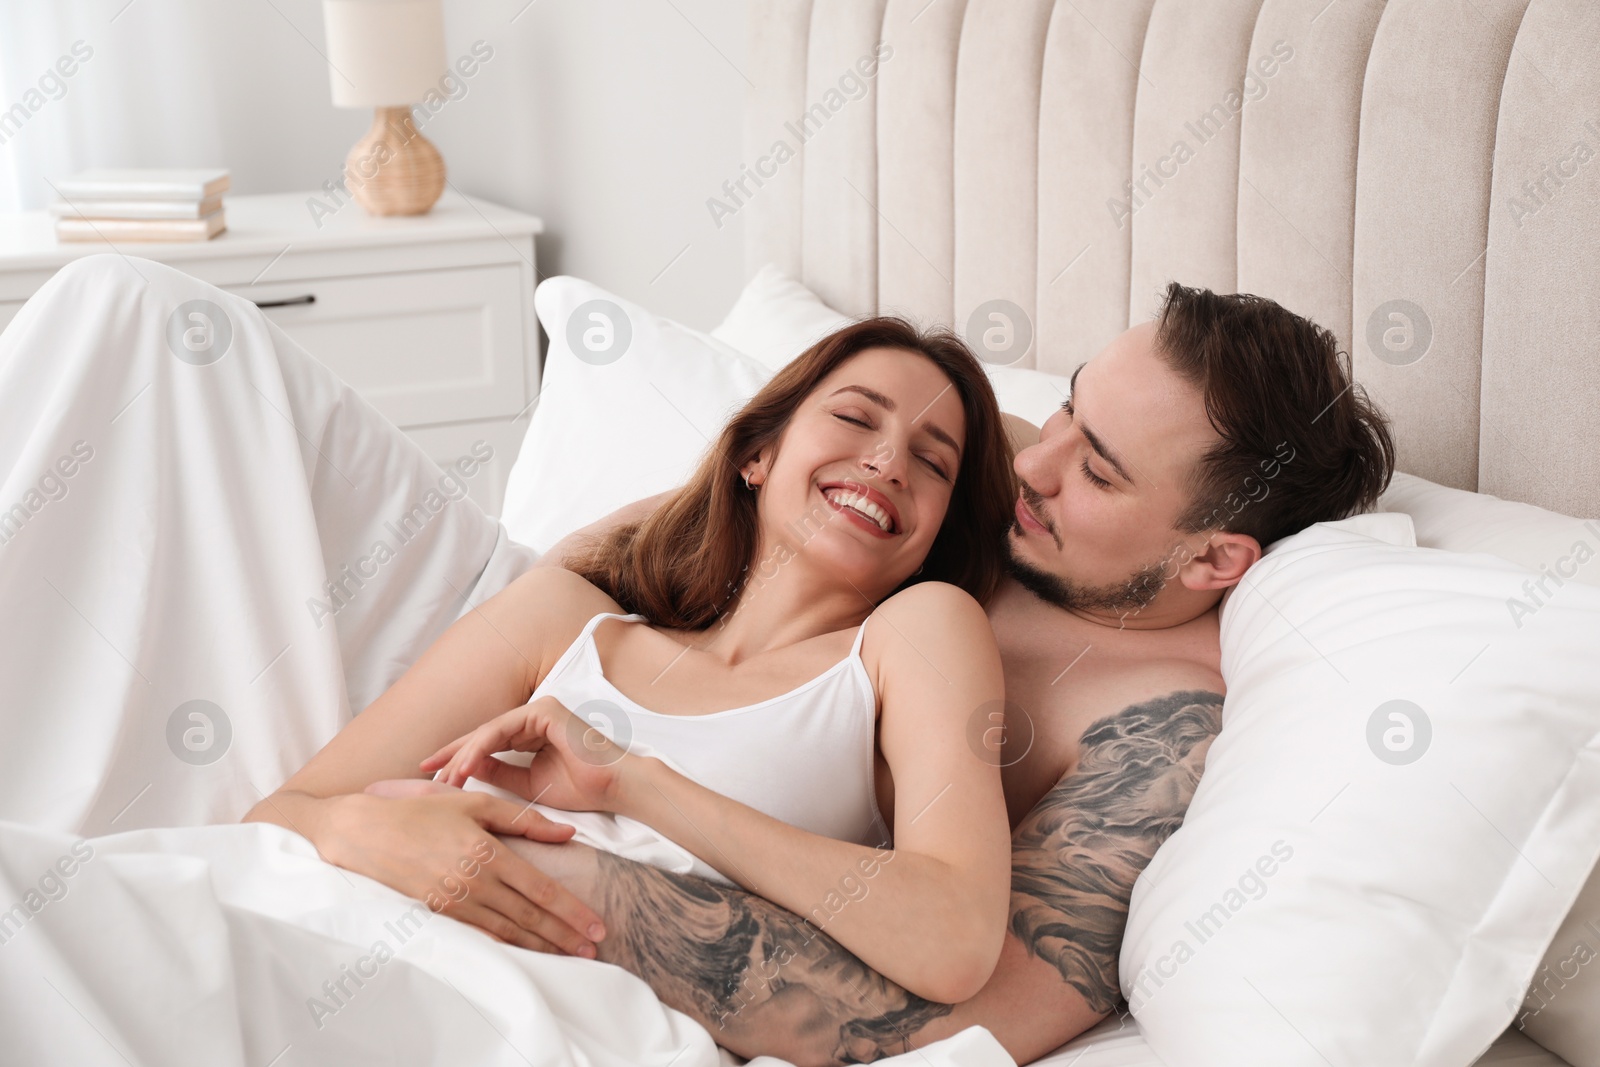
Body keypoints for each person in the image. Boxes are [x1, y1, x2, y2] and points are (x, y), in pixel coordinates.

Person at [498, 283, 1396, 1066]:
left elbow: (953, 1017)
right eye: (1069, 409)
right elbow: (667, 541)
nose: (1034, 463)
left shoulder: (1152, 733)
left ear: (1213, 561)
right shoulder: (999, 467)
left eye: (1097, 470)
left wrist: (526, 879)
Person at [245, 316, 1025, 1005]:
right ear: (757, 454)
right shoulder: (564, 618)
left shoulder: (917, 634)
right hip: (339, 928)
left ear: (935, 536)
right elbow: (283, 815)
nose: (889, 463)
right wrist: (383, 838)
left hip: (549, 1012)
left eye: (933, 463)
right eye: (856, 417)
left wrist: (632, 779)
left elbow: (952, 936)